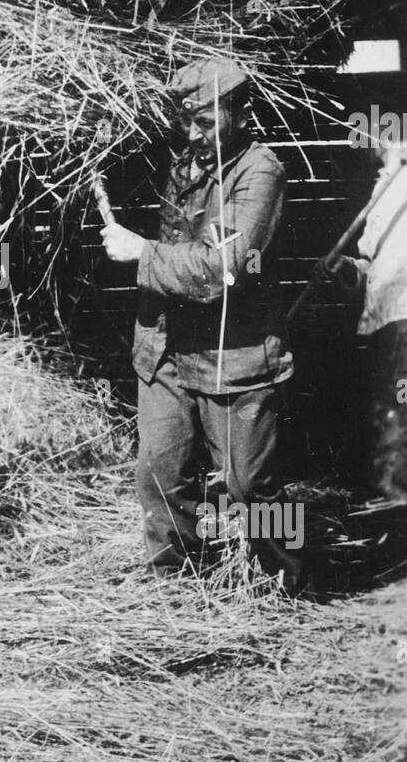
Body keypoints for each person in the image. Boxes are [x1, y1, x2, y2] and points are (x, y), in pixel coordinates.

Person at [99, 57, 300, 587]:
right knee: (159, 477)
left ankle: (285, 582)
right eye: (186, 121)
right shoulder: (185, 161)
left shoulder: (259, 173)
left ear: (241, 113)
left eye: (206, 122)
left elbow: (222, 271)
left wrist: (142, 252)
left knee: (250, 488)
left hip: (234, 356)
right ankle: (176, 585)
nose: (192, 134)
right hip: (165, 348)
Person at [326, 139, 407, 504]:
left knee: (399, 410)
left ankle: (397, 505)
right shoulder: (383, 184)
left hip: (403, 318)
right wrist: (347, 269)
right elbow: (372, 266)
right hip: (385, 322)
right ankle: (392, 504)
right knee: (390, 412)